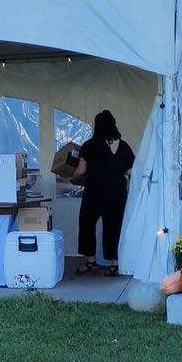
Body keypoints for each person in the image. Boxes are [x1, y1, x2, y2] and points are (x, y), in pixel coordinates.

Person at [70, 110, 134, 276]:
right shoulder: (124, 146)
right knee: (114, 226)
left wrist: (72, 179)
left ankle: (91, 261)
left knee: (87, 223)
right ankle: (115, 264)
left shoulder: (90, 145)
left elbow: (81, 170)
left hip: (95, 190)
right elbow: (130, 172)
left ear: (97, 126)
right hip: (118, 190)